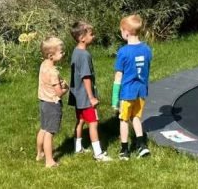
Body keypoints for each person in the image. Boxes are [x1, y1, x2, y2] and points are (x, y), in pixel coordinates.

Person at [69, 21, 112, 162]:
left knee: (80, 120)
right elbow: (86, 78)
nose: (93, 36)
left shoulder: (75, 51)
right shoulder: (84, 55)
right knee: (93, 123)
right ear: (82, 38)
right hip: (85, 97)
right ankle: (98, 154)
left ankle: (77, 147)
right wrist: (91, 97)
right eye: (91, 34)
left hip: (77, 96)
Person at [112, 14, 153, 160]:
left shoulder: (123, 52)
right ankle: (142, 145)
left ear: (126, 32)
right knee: (136, 117)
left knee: (124, 120)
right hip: (141, 91)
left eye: (121, 31)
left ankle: (124, 149)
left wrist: (114, 99)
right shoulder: (147, 49)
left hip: (127, 93)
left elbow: (118, 77)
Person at [36, 36, 68, 168]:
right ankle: (49, 161)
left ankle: (40, 153)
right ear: (51, 55)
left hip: (43, 102)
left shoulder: (43, 65)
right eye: (61, 52)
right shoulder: (53, 72)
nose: (63, 53)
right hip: (52, 104)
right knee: (50, 132)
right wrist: (66, 88)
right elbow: (59, 92)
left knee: (43, 128)